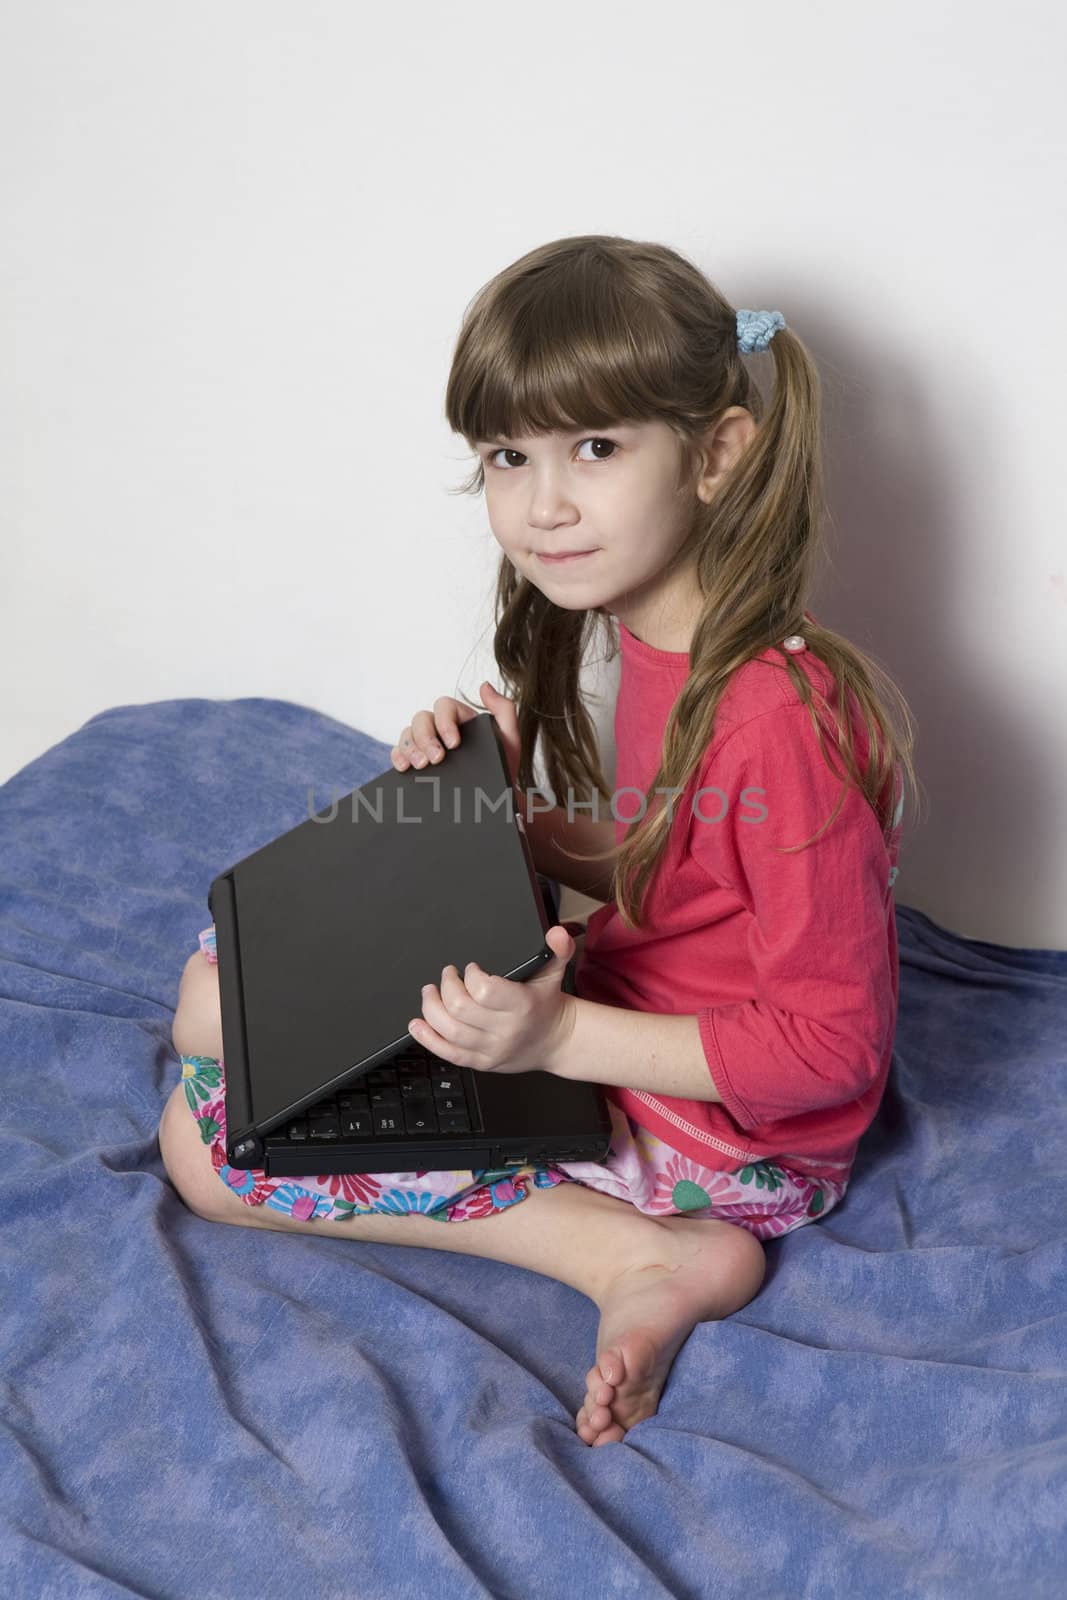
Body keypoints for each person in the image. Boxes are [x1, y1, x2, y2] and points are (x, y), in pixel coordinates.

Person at [159, 234, 919, 1448]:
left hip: (725, 1134)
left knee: (208, 1138)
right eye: (509, 455)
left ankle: (640, 1255)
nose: (541, 502)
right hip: (625, 1006)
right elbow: (682, 865)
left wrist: (559, 1034)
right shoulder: (671, 640)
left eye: (595, 450)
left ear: (718, 453)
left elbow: (828, 1050)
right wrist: (503, 822)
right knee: (229, 975)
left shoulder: (781, 715)